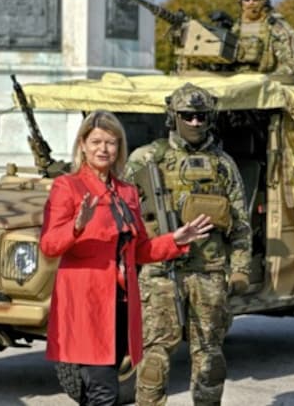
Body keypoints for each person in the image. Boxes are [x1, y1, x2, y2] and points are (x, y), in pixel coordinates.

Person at [39, 111, 213, 405]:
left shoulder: (127, 191)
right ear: (82, 144)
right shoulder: (67, 187)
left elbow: (141, 250)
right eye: (96, 142)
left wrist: (176, 240)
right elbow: (49, 245)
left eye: (111, 143)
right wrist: (78, 225)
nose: (103, 149)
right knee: (104, 392)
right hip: (87, 305)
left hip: (122, 306)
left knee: (97, 391)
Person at [124, 83, 252, 405]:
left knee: (210, 360)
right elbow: (123, 220)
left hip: (208, 274)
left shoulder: (223, 165)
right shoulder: (145, 159)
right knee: (154, 359)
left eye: (201, 116)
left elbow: (240, 225)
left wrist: (239, 270)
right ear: (173, 116)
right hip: (159, 272)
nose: (195, 123)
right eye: (187, 116)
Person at [230, 0, 294, 76]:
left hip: (266, 85)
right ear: (240, 1)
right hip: (234, 82)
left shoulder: (277, 28)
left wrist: (267, 80)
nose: (251, 2)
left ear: (265, 0)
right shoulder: (235, 29)